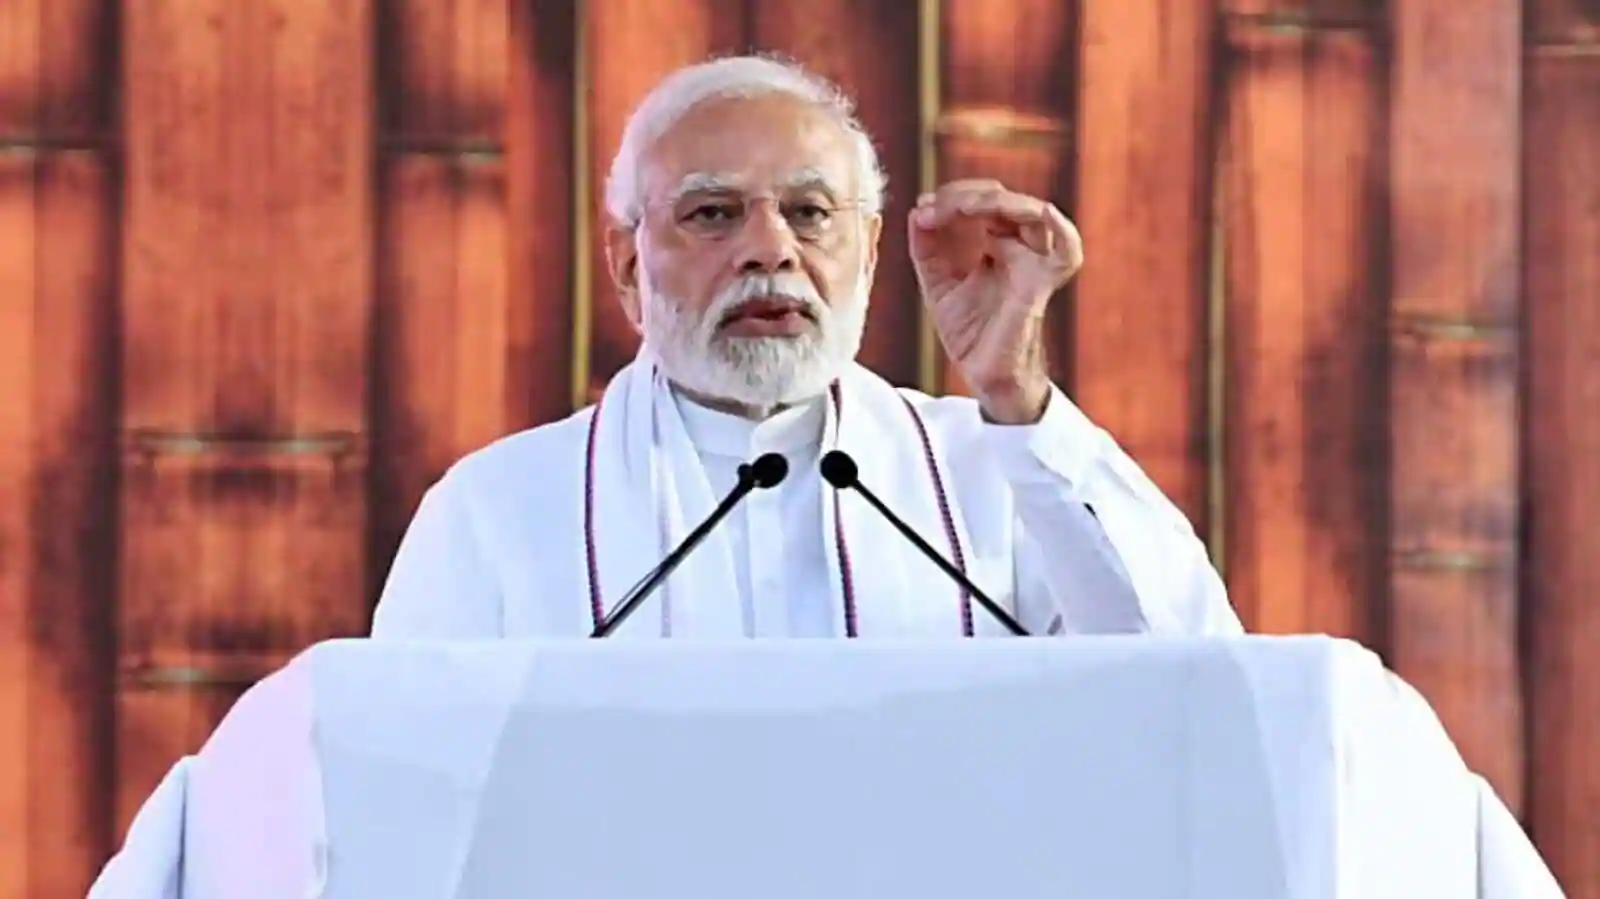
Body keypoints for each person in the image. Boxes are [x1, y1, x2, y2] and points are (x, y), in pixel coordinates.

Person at [371, 54, 1243, 640]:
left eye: (810, 212)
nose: (770, 249)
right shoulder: (495, 511)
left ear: (868, 251)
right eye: (713, 212)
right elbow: (406, 797)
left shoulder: (992, 474)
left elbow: (1186, 679)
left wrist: (1019, 397)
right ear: (629, 263)